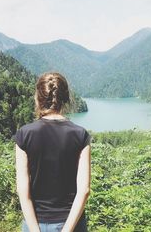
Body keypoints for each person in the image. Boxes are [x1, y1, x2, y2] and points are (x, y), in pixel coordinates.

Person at [13, 72, 92, 232]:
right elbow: (83, 190)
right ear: (65, 98)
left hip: (34, 222)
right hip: (72, 223)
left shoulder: (24, 134)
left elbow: (23, 190)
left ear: (37, 98)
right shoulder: (80, 135)